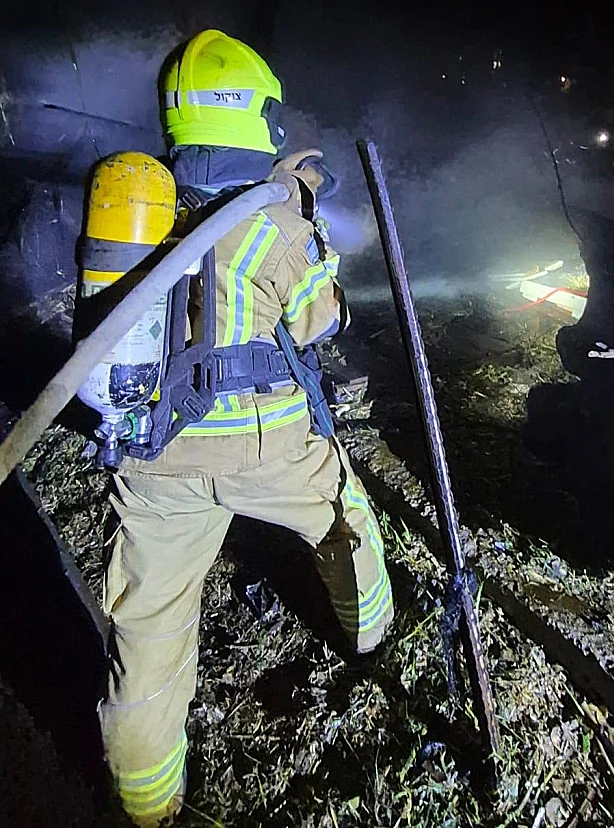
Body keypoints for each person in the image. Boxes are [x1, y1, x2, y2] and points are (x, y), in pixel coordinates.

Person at [96, 30, 394, 827]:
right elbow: (320, 323)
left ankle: (146, 800)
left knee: (149, 624)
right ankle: (375, 639)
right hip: (267, 446)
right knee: (344, 515)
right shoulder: (268, 218)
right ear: (248, 115)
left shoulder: (141, 207)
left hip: (154, 457)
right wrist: (304, 216)